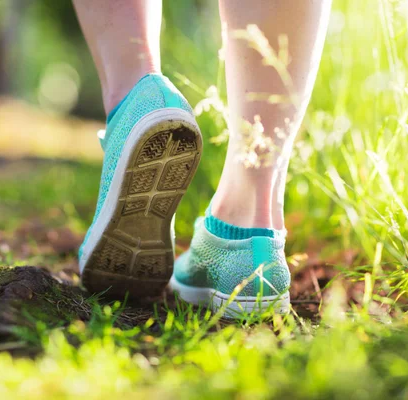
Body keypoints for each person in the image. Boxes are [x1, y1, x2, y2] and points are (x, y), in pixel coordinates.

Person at [72, 0, 332, 316]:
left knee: (131, 83)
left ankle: (134, 100)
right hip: (265, 265)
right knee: (252, 209)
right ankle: (250, 227)